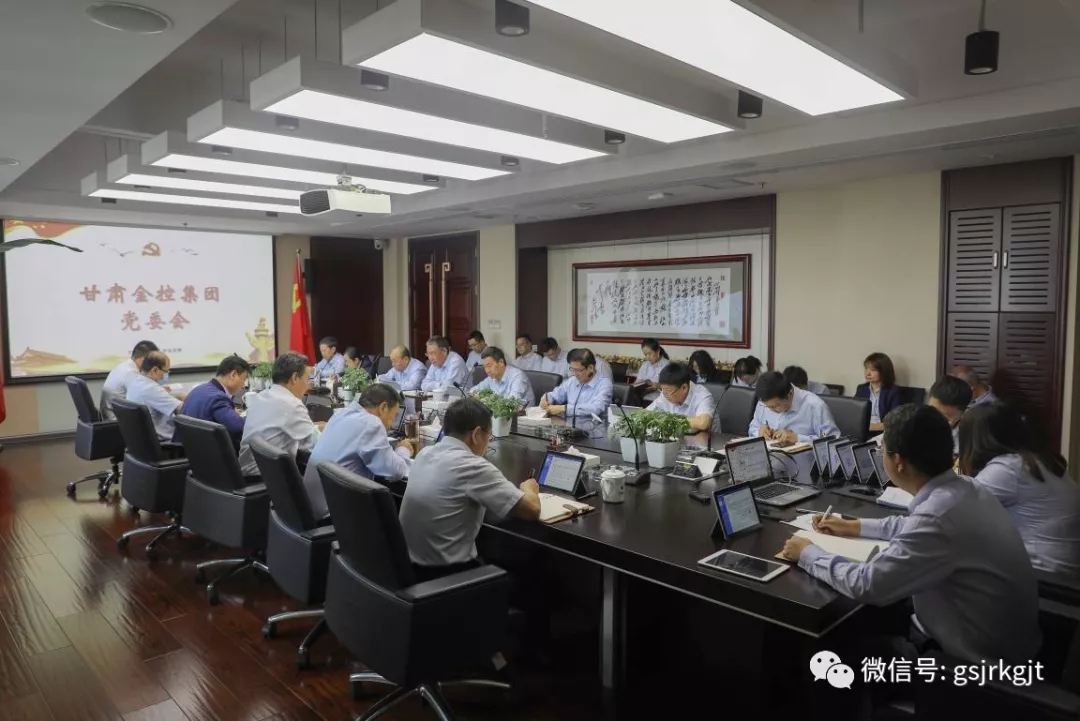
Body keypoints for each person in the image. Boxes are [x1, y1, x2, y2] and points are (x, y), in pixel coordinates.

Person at [780, 404, 1041, 665]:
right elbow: (913, 525)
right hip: (1006, 643)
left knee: (822, 651)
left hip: (966, 666)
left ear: (899, 461)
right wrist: (854, 526)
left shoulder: (938, 516)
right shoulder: (966, 488)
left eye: (882, 450)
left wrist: (807, 553)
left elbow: (868, 584)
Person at [399, 398, 541, 582]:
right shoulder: (472, 466)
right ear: (476, 434)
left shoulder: (425, 454)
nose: (488, 443)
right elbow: (532, 509)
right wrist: (528, 488)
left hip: (408, 569)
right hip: (447, 577)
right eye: (489, 436)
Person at [958, 402, 1080, 574]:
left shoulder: (1007, 470)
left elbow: (952, 509)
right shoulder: (1040, 461)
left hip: (1044, 575)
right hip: (1065, 571)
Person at [302, 384, 417, 518]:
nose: (391, 425)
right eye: (394, 416)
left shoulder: (340, 415)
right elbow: (396, 471)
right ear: (383, 407)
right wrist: (403, 449)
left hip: (314, 507)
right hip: (335, 516)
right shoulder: (371, 423)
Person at [239, 352, 324, 476]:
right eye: (307, 379)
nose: (307, 386)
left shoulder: (261, 397)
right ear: (295, 378)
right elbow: (317, 445)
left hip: (248, 472)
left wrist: (316, 428)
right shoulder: (291, 404)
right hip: (268, 479)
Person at [177, 354, 249, 450]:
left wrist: (231, 412)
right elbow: (237, 426)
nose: (244, 386)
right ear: (233, 375)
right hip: (204, 453)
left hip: (186, 450)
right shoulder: (218, 397)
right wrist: (253, 417)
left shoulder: (200, 389)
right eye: (244, 379)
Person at [748, 371, 839, 445]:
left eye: (776, 406)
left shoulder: (815, 406)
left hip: (801, 460)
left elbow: (830, 440)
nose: (771, 410)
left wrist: (798, 438)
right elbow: (752, 428)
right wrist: (759, 432)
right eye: (768, 407)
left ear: (790, 394)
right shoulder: (764, 401)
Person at [125, 351, 184, 441]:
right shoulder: (151, 389)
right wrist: (191, 398)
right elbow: (182, 409)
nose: (166, 374)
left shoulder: (135, 382)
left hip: (143, 440)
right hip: (166, 442)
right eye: (166, 371)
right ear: (155, 370)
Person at [539, 349, 613, 419]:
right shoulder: (572, 381)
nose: (575, 374)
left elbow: (596, 408)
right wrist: (546, 399)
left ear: (591, 368)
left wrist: (565, 408)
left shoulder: (604, 384)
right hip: (570, 424)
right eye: (573, 369)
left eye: (578, 370)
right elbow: (554, 395)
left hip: (595, 426)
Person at [100, 340, 159, 419]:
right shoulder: (131, 373)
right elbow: (143, 400)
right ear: (144, 359)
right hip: (117, 420)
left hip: (112, 414)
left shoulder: (125, 366)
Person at [647, 363, 715, 432]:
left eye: (667, 390)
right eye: (662, 389)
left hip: (708, 437)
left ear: (684, 388)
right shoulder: (666, 393)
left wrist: (668, 419)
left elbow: (702, 423)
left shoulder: (702, 395)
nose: (664, 395)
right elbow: (647, 413)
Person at [470, 347, 535, 406]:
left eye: (489, 365)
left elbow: (511, 404)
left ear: (501, 362)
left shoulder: (517, 376)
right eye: (485, 367)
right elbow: (472, 392)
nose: (487, 371)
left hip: (523, 414)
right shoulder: (491, 378)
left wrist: (484, 399)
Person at [855, 352, 901, 432]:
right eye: (866, 368)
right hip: (861, 430)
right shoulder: (862, 389)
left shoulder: (893, 391)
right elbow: (854, 413)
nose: (868, 373)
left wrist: (869, 427)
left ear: (883, 372)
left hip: (882, 432)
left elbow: (894, 422)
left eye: (873, 370)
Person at [928, 375, 972, 456]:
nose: (934, 419)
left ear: (963, 413)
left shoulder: (970, 438)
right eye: (932, 411)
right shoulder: (916, 424)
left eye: (945, 417)